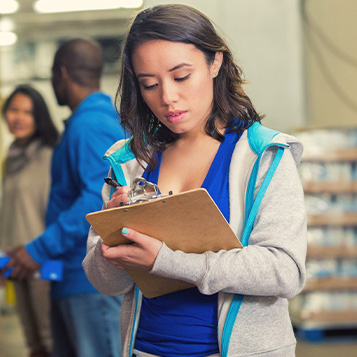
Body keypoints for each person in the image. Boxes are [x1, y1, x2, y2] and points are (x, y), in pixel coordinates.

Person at [82, 4, 307, 357]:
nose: (167, 97)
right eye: (150, 84)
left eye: (181, 76)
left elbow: (284, 271)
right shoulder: (129, 163)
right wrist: (110, 247)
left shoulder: (263, 156)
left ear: (215, 62)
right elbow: (105, 284)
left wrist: (167, 261)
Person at [4, 38, 126, 357]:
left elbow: (96, 200)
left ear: (62, 74)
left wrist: (39, 248)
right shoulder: (89, 123)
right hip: (75, 277)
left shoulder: (89, 126)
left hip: (89, 282)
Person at [0, 84, 58, 357]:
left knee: (49, 338)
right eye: (13, 110)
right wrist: (1, 258)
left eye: (27, 112)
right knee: (32, 342)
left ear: (39, 117)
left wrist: (44, 249)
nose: (17, 117)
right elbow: (8, 210)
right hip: (14, 259)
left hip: (41, 258)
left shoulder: (50, 154)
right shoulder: (11, 154)